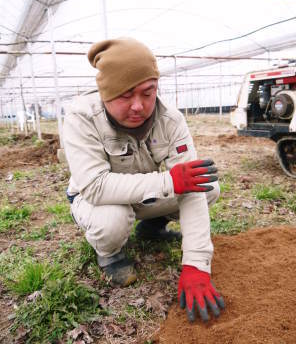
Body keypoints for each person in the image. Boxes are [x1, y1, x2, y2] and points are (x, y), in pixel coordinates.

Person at [63, 38, 225, 322]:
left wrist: (197, 265)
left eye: (147, 93)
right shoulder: (81, 116)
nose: (138, 106)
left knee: (207, 187)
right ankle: (110, 253)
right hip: (95, 200)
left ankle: (152, 226)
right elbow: (95, 186)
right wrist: (169, 182)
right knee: (112, 220)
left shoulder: (170, 120)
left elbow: (192, 185)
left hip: (144, 196)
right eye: (125, 96)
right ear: (105, 93)